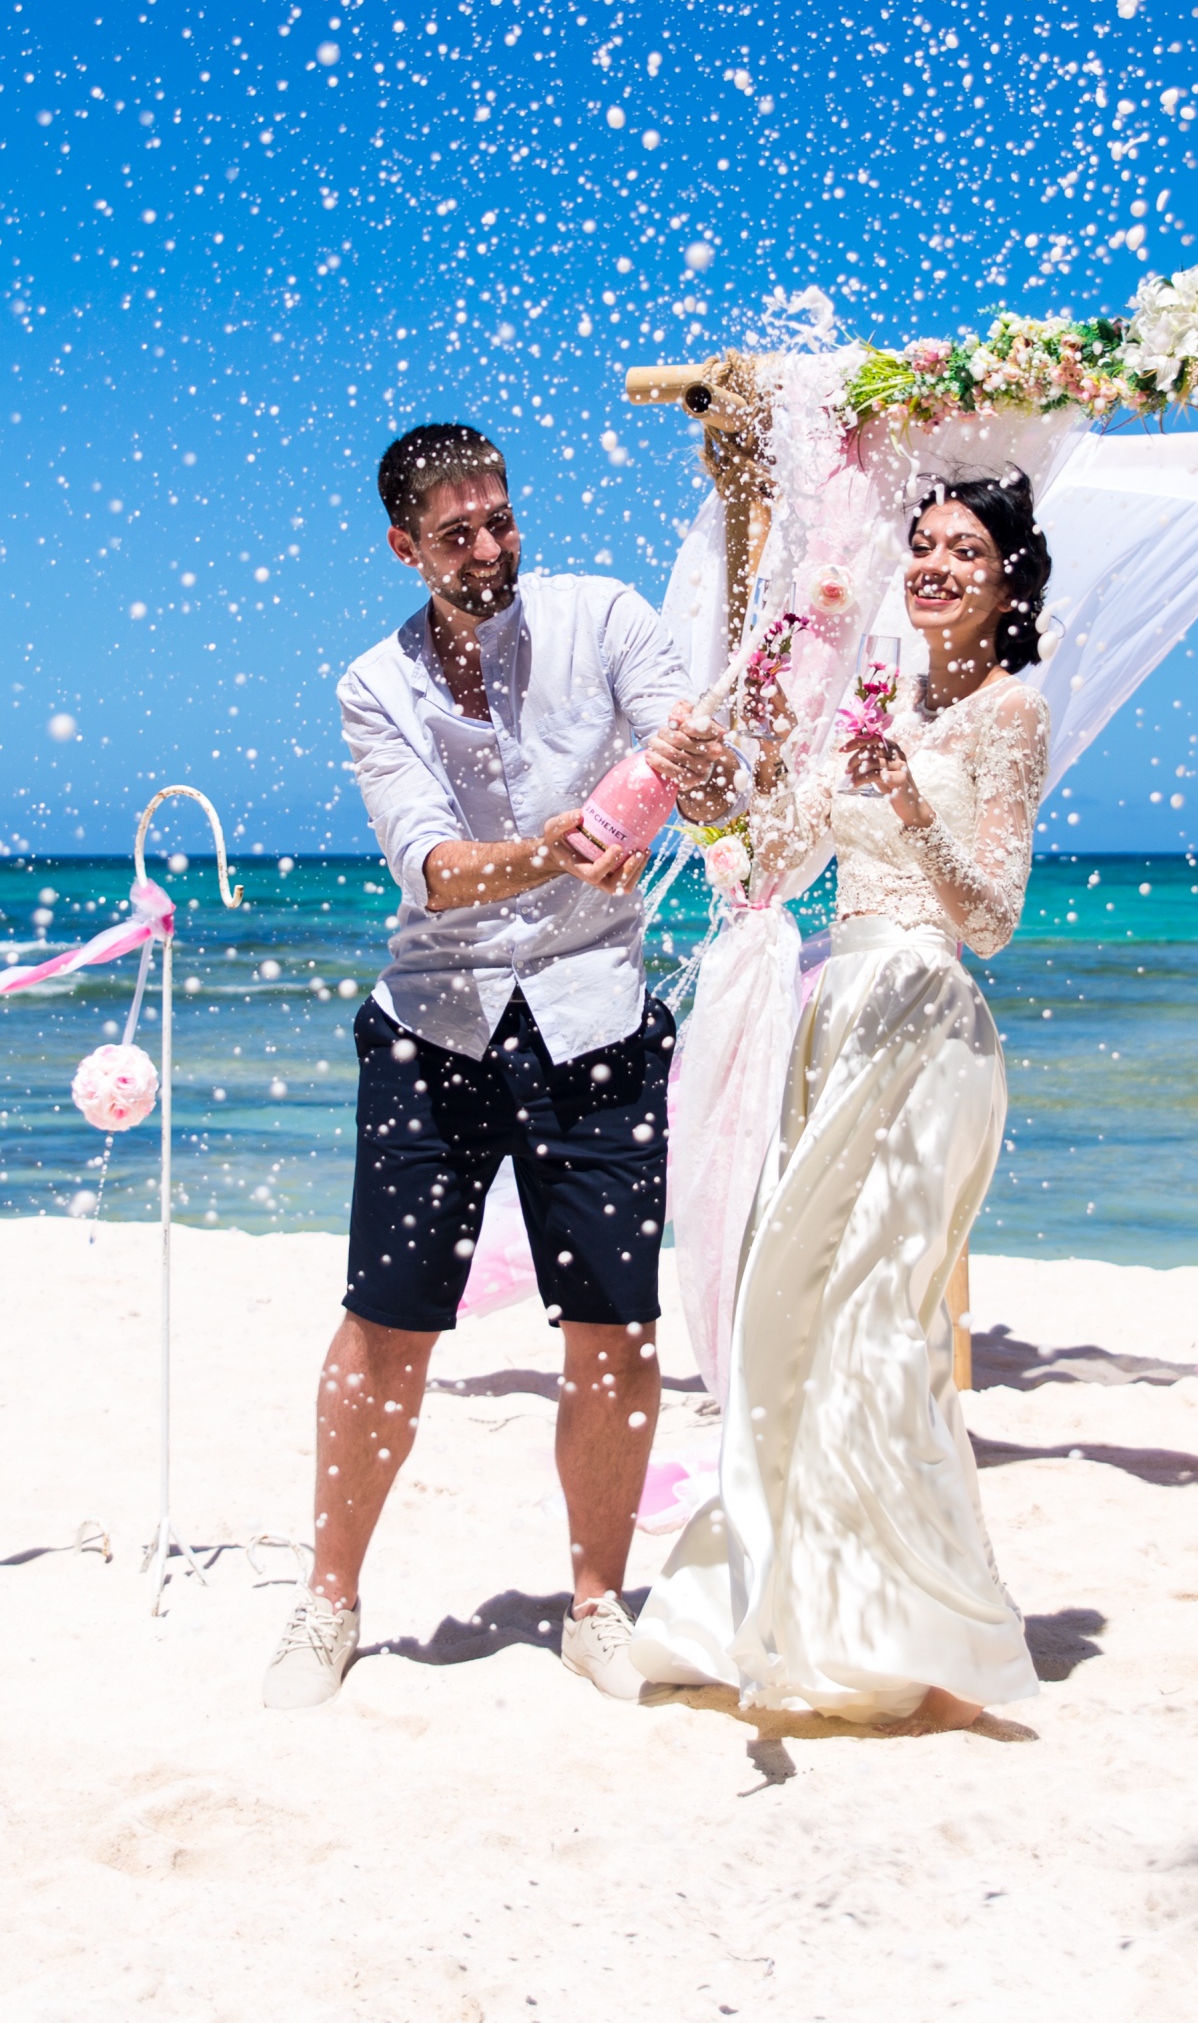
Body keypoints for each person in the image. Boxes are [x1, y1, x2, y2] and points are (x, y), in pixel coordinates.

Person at [263, 422, 743, 1709]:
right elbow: (431, 867)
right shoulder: (375, 684)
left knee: (616, 1326)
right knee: (386, 1326)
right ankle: (329, 1600)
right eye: (458, 533)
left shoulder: (606, 616)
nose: (489, 548)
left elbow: (701, 770)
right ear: (404, 545)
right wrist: (559, 846)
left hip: (599, 1021)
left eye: (501, 519)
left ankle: (594, 1604)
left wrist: (700, 773)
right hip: (436, 1026)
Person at [630, 471, 1051, 1731]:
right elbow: (766, 864)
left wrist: (914, 806)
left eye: (965, 550)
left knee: (883, 1320)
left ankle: (894, 1627)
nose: (935, 565)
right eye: (924, 543)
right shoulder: (875, 698)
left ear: (1007, 583)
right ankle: (786, 1601)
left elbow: (995, 917)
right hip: (838, 1017)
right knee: (793, 1307)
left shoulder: (1013, 713)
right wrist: (718, 790)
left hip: (929, 1022)